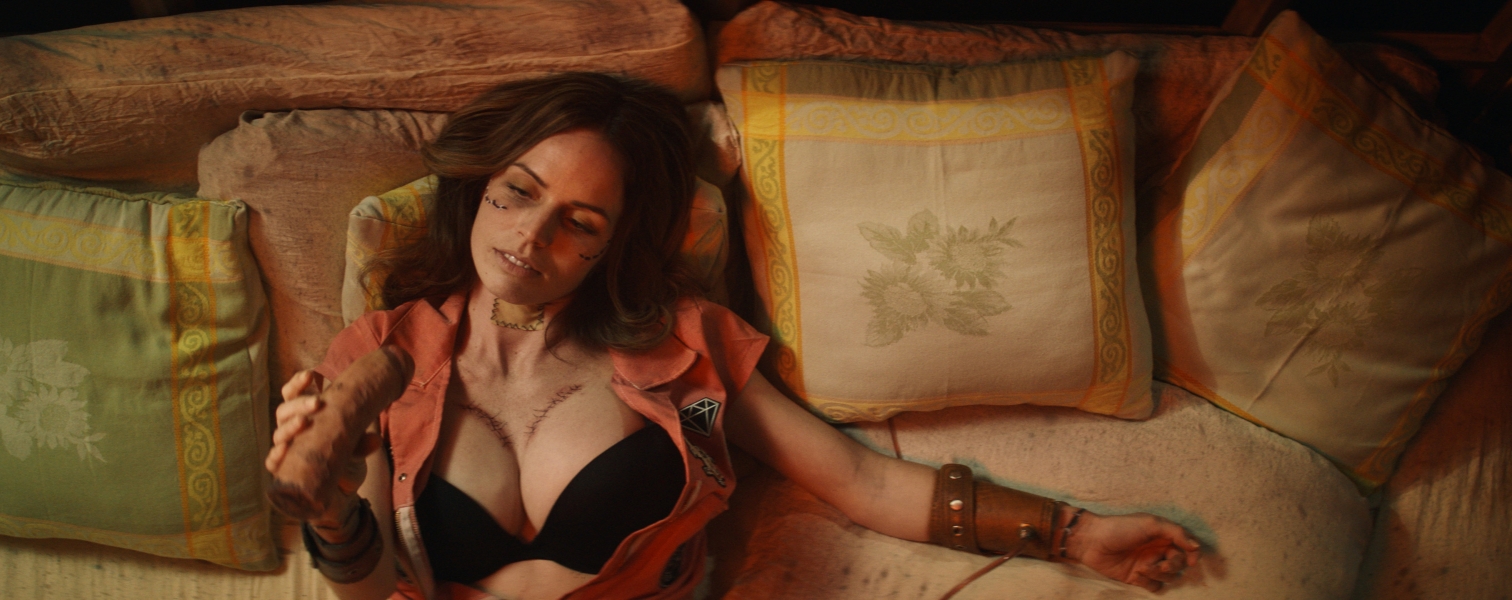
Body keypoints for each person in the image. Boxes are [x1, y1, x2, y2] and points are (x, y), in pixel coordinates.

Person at [265, 72, 1201, 600]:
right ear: (479, 185)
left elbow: (860, 478)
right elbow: (372, 588)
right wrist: (336, 514)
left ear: (612, 244)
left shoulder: (686, 355)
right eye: (517, 191)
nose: (531, 237)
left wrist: (1074, 535)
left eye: (580, 222)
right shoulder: (376, 355)